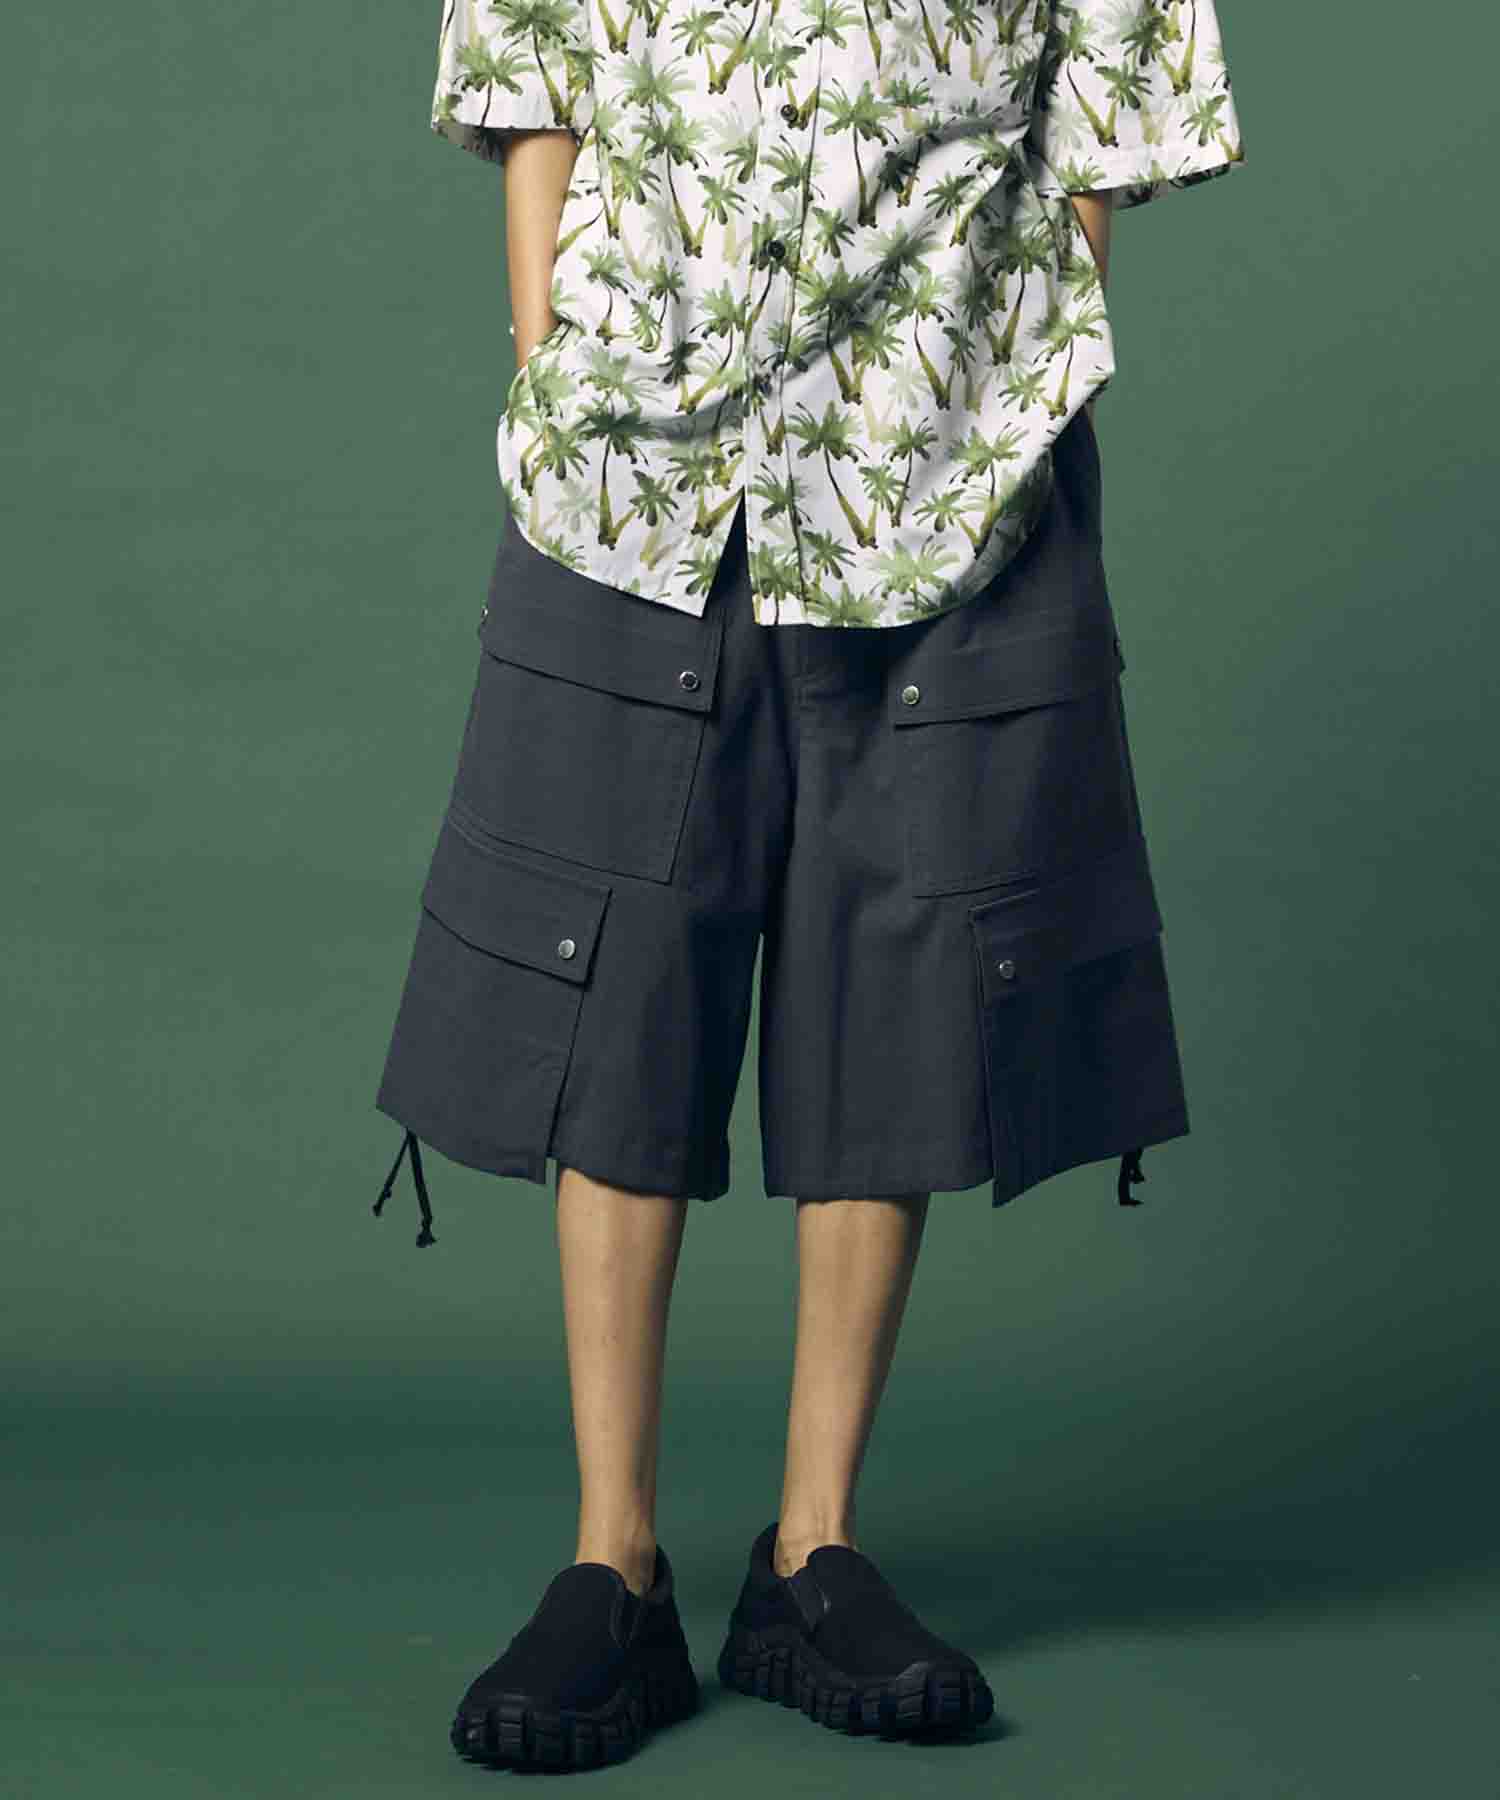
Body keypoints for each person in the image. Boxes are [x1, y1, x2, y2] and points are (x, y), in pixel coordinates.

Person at [373, 0, 1247, 1770]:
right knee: (615, 965)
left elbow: (1113, 95)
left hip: (945, 460)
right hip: (634, 454)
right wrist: (549, 356)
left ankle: (814, 1550)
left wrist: (1005, 385)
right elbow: (532, 69)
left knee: (899, 963)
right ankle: (611, 1562)